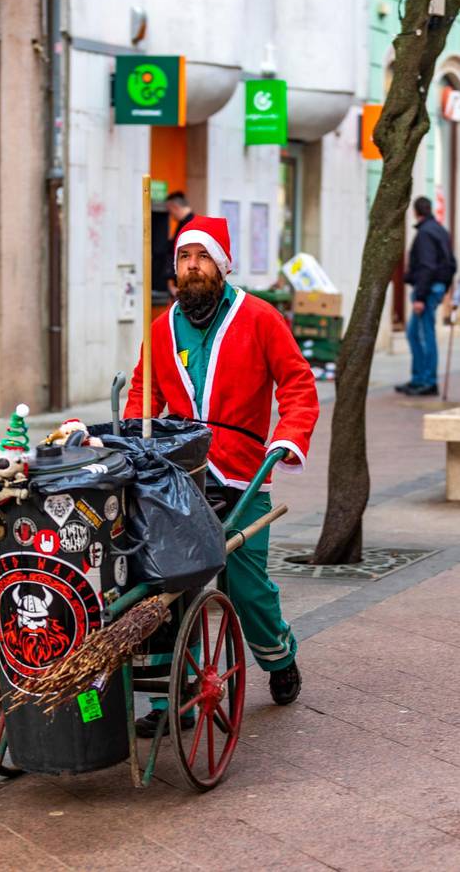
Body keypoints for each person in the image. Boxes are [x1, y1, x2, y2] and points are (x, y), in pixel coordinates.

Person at [124, 215, 319, 737]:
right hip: (177, 477)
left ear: (222, 264)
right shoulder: (162, 327)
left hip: (242, 473)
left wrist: (287, 438)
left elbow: (298, 384)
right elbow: (145, 393)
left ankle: (279, 657)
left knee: (245, 585)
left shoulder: (259, 318)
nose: (192, 266)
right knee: (164, 585)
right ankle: (177, 695)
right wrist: (131, 436)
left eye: (202, 257)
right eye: (185, 257)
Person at [396, 196, 457, 397]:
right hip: (434, 287)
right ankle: (419, 379)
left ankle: (427, 380)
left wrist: (421, 296)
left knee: (422, 334)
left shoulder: (425, 234)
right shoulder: (439, 230)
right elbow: (451, 262)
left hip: (427, 289)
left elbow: (427, 266)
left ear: (415, 212)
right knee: (416, 333)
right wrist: (444, 287)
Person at [163, 191, 194, 299]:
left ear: (174, 207)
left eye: (170, 211)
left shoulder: (189, 225)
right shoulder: (188, 223)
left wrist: (173, 285)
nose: (171, 216)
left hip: (184, 287)